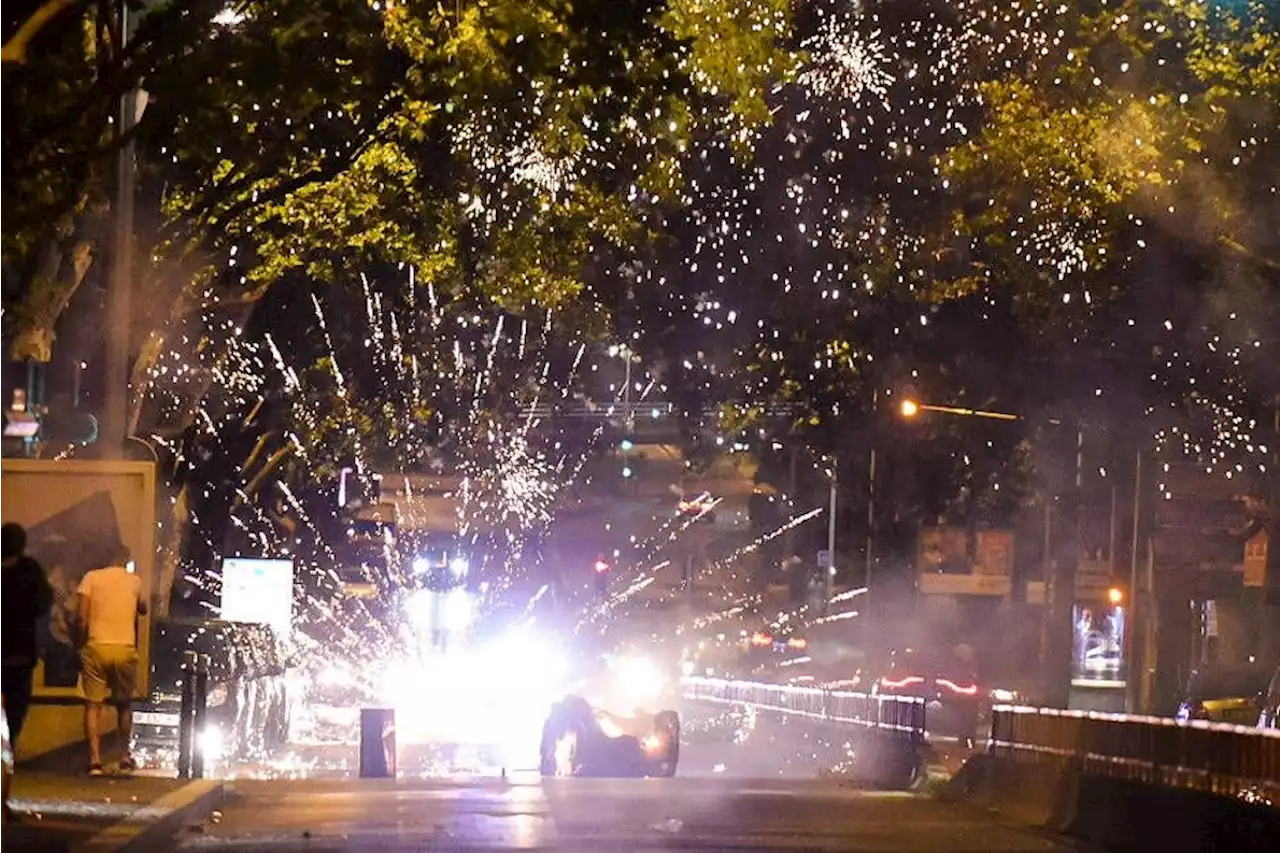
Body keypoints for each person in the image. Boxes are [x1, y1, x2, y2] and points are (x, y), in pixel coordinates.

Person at [77, 546, 146, 776]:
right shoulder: (134, 581)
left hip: (97, 647)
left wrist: (81, 644)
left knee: (93, 706)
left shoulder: (91, 578)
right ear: (126, 560)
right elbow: (143, 608)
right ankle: (124, 756)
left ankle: (95, 761)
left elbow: (81, 619)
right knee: (124, 704)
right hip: (124, 648)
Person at [0, 522, 53, 819]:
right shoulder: (29, 571)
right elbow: (43, 603)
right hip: (19, 659)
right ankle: (3, 798)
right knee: (11, 731)